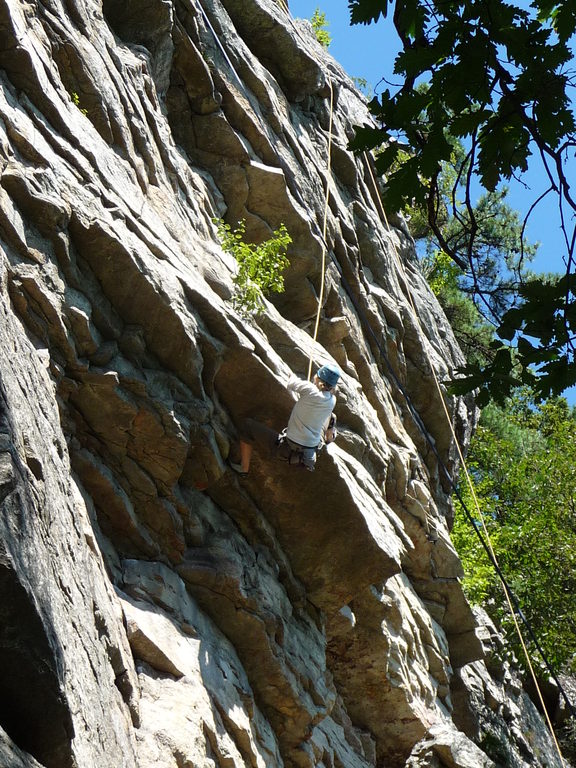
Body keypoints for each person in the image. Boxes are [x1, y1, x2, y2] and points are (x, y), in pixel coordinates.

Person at [230, 364, 341, 475]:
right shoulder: (332, 400)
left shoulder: (309, 389)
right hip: (309, 454)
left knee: (247, 426)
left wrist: (293, 376)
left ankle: (244, 469)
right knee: (330, 416)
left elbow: (291, 383)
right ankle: (329, 436)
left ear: (318, 377)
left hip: (287, 449)